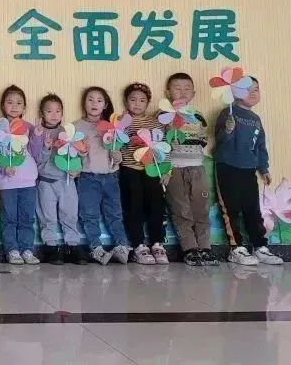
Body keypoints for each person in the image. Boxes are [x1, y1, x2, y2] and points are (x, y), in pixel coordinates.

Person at [215, 77, 283, 266]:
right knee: (231, 209)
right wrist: (228, 131)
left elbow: (260, 146)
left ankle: (260, 246)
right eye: (248, 89)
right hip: (227, 166)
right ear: (235, 92)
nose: (253, 93)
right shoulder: (228, 113)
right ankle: (236, 249)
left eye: (256, 89)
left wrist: (263, 168)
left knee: (252, 209)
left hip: (249, 169)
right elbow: (219, 140)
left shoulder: (255, 119)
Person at [162, 74, 218, 266]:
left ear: (193, 93)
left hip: (197, 168)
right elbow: (159, 145)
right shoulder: (164, 116)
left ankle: (205, 248)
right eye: (177, 88)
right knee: (181, 210)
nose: (182, 92)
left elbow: (202, 141)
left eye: (187, 88)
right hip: (174, 170)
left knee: (201, 210)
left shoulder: (198, 116)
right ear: (168, 92)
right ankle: (190, 249)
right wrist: (166, 170)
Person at [75, 87, 132, 265]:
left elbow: (119, 152)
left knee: (114, 213)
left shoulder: (112, 126)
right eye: (90, 99)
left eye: (99, 100)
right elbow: (71, 154)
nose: (94, 103)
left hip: (111, 176)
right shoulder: (76, 127)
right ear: (84, 103)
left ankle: (122, 245)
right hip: (87, 177)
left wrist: (118, 156)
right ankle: (96, 248)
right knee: (89, 214)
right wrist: (80, 153)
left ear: (105, 105)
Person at [29, 94, 87, 265]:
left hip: (66, 180)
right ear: (42, 113)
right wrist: (46, 148)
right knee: (47, 217)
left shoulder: (68, 132)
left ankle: (72, 246)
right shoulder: (38, 132)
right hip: (45, 182)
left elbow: (79, 154)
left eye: (58, 111)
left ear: (62, 113)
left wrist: (77, 169)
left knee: (70, 214)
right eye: (49, 111)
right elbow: (36, 159)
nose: (54, 115)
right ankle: (51, 247)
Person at [119, 82, 168, 265]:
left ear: (148, 103)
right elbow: (115, 143)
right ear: (126, 102)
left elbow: (163, 147)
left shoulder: (155, 122)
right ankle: (139, 245)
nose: (137, 104)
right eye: (133, 100)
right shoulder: (122, 121)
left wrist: (166, 171)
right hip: (130, 170)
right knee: (133, 208)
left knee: (156, 206)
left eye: (142, 100)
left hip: (152, 170)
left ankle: (157, 243)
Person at [0, 86, 40, 266]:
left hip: (28, 181)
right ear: (3, 105)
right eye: (10, 102)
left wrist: (37, 137)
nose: (14, 106)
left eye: (19, 103)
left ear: (24, 107)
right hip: (7, 183)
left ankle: (27, 249)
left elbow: (35, 153)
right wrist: (3, 168)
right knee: (9, 218)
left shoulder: (29, 127)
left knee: (27, 218)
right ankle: (11, 250)